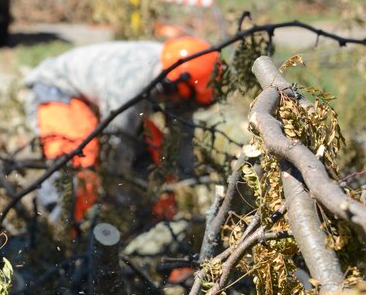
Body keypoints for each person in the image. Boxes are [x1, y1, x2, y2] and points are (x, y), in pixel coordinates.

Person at [22, 36, 221, 227]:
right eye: (186, 100)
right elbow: (116, 147)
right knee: (80, 159)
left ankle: (164, 221)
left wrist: (186, 186)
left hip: (103, 103)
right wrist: (119, 199)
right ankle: (62, 231)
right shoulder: (131, 86)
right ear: (178, 83)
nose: (183, 105)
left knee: (157, 151)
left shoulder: (176, 72)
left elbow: (181, 137)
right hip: (59, 88)